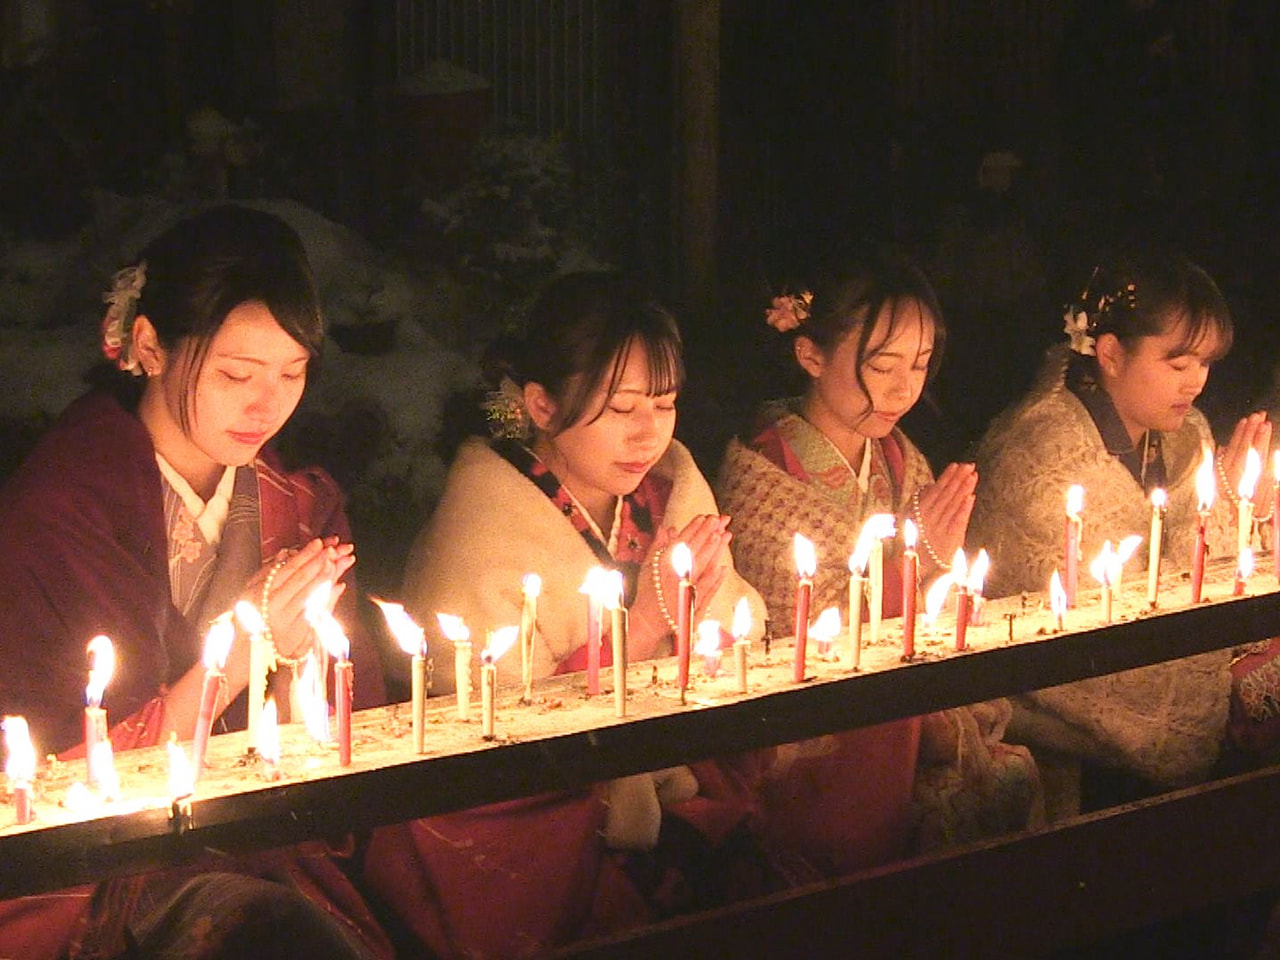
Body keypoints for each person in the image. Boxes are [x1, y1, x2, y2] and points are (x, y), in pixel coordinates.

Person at [0, 204, 390, 959]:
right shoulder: (63, 509)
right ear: (149, 345)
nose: (264, 403)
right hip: (97, 870)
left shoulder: (299, 504)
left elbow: (346, 736)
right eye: (236, 373)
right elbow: (55, 768)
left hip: (257, 840)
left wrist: (301, 664)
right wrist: (244, 650)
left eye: (291, 373)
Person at [371, 269, 771, 958]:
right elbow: (484, 732)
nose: (648, 433)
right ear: (542, 405)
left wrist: (703, 625)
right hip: (541, 831)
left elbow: (740, 632)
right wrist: (643, 626)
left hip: (675, 783)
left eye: (665, 404)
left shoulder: (672, 493)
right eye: (621, 409)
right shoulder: (481, 528)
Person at [716, 248, 1042, 875]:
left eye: (919, 364)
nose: (904, 388)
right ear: (810, 355)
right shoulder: (763, 476)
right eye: (882, 364)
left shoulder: (896, 455)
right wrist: (915, 566)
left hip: (904, 700)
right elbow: (797, 633)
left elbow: (939, 588)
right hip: (814, 734)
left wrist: (937, 566)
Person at [969, 246, 1273, 816]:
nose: (1196, 384)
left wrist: (1243, 508)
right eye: (1178, 365)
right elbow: (1082, 641)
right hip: (1066, 715)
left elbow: (1203, 568)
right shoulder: (1042, 455)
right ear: (1109, 352)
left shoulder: (1189, 435)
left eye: (1205, 364)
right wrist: (1227, 511)